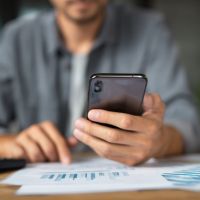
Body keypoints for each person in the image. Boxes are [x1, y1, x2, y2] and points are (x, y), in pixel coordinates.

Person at [0, 0, 199, 166]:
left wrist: (161, 141)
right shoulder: (16, 38)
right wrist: (10, 143)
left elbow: (186, 120)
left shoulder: (150, 30)